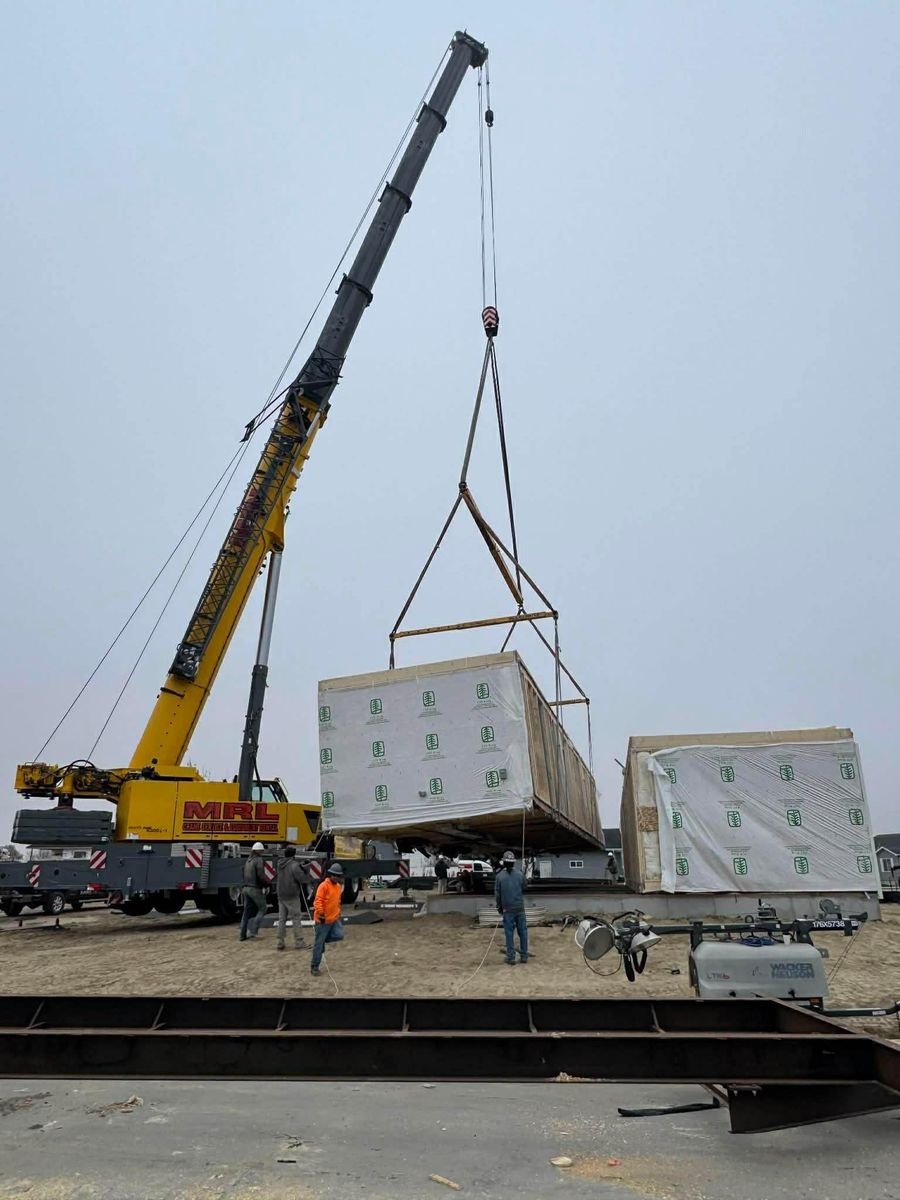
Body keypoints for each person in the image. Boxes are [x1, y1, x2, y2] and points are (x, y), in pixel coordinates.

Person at [310, 862, 346, 976]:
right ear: (331, 875)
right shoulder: (323, 886)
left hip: (334, 919)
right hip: (323, 920)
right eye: (336, 875)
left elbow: (337, 901)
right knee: (319, 945)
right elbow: (318, 901)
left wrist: (338, 913)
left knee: (339, 935)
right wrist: (320, 914)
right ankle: (314, 967)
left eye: (339, 876)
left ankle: (322, 940)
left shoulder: (338, 887)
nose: (337, 877)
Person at [494, 850, 527, 965]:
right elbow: (525, 887)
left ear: (504, 862)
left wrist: (499, 907)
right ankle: (524, 956)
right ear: (513, 862)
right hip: (520, 908)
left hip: (507, 909)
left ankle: (511, 957)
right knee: (523, 932)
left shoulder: (499, 877)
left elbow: (497, 895)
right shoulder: (520, 874)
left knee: (509, 933)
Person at [275, 846, 310, 950]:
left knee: (282, 919)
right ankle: (299, 942)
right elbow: (303, 879)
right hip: (292, 895)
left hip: (281, 895)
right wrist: (306, 868)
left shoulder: (279, 864)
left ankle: (280, 942)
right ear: (293, 855)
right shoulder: (294, 865)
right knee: (296, 919)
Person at [239, 842, 269, 941]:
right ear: (259, 851)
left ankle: (242, 935)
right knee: (263, 909)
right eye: (262, 850)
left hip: (246, 888)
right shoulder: (258, 860)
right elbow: (260, 876)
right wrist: (266, 884)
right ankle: (253, 931)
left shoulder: (248, 860)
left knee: (246, 912)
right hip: (254, 889)